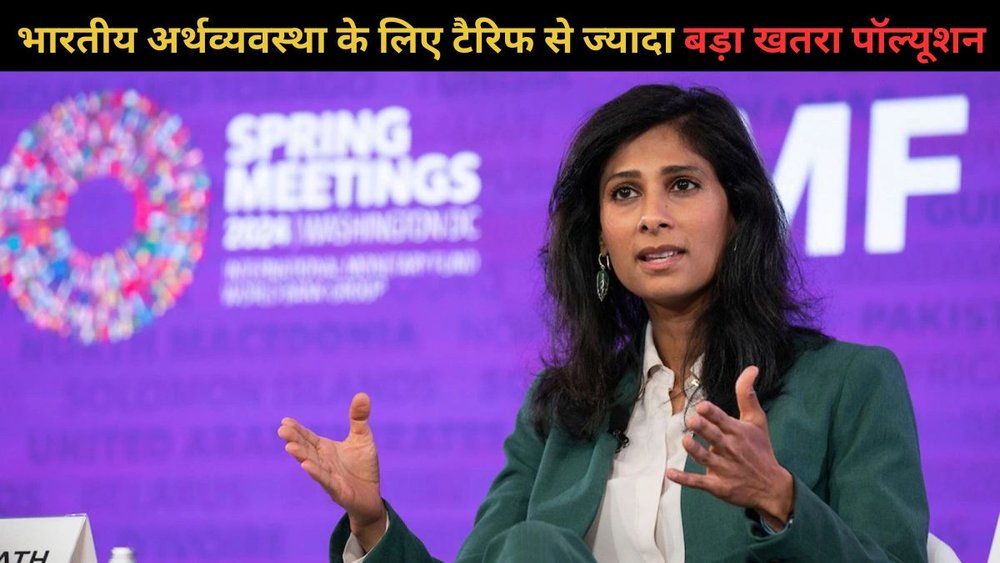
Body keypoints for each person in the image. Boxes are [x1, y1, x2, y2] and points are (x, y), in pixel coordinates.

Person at [278, 84, 929, 562]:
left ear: (737, 213)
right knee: (530, 547)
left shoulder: (849, 382)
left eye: (682, 185)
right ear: (600, 239)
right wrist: (373, 525)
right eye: (625, 193)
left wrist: (781, 499)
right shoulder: (561, 408)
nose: (651, 215)